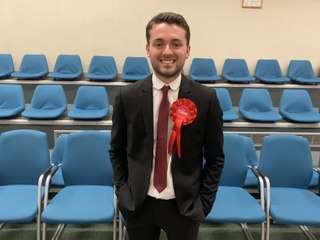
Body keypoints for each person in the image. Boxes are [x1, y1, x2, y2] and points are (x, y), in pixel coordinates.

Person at [109, 12, 224, 240]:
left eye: (176, 44)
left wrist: (203, 203)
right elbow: (117, 150)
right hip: (138, 205)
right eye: (159, 44)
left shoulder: (206, 99)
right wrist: (123, 192)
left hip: (185, 207)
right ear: (148, 49)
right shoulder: (127, 96)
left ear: (188, 50)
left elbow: (215, 158)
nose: (168, 51)